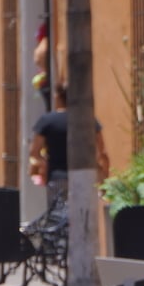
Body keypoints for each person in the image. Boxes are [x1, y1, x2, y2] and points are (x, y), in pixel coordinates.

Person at [27, 82, 110, 210]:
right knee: (83, 218)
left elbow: (34, 153)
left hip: (57, 177)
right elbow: (102, 153)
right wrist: (104, 177)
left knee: (58, 219)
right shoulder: (89, 120)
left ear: (58, 97)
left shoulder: (47, 121)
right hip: (85, 177)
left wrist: (44, 164)